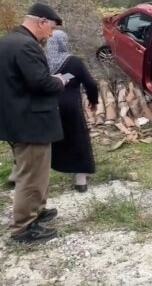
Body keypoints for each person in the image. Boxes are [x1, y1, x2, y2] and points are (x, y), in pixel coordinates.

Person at [0, 2, 67, 244]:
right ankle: (23, 229)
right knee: (31, 176)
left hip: (15, 117)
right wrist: (60, 81)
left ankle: (37, 210)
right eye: (50, 28)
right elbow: (40, 83)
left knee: (36, 173)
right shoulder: (26, 46)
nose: (51, 34)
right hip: (29, 122)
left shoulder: (7, 41)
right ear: (41, 21)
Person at [46, 30, 99, 193]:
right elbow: (90, 83)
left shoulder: (39, 60)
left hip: (46, 106)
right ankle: (80, 180)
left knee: (45, 142)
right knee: (77, 139)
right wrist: (93, 101)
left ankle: (24, 176)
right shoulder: (74, 62)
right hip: (70, 107)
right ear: (64, 43)